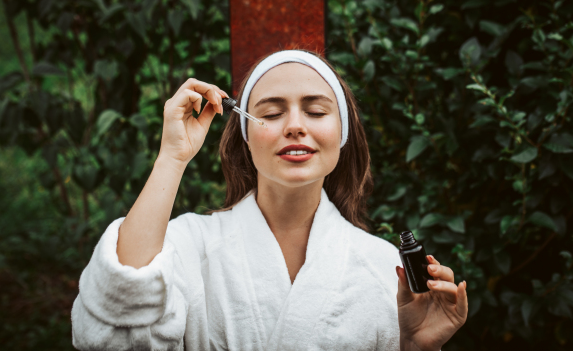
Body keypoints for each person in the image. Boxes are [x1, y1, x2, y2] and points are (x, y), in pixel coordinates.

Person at [71, 50, 468, 350]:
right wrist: (172, 157)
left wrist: (413, 346)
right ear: (246, 135)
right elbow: (116, 323)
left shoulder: (386, 269)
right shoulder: (189, 244)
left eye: (315, 110)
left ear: (342, 133)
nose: (295, 126)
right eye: (272, 113)